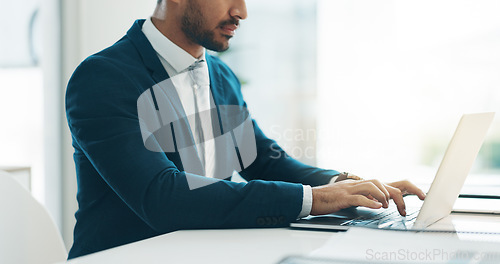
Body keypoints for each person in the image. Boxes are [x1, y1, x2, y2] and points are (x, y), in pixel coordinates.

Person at [65, 0, 426, 259]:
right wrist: (316, 200)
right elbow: (163, 197)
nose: (242, 11)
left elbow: (264, 161)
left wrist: (344, 186)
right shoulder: (102, 78)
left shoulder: (220, 74)